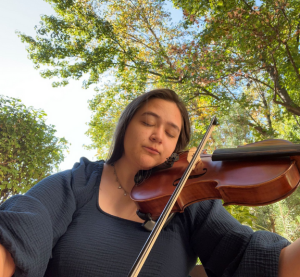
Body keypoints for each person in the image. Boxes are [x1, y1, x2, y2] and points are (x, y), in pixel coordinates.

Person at [0, 88, 299, 277]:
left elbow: (266, 261)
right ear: (126, 125)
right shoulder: (76, 183)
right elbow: (22, 228)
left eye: (171, 133)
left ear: (176, 148)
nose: (158, 135)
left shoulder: (188, 199)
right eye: (148, 122)